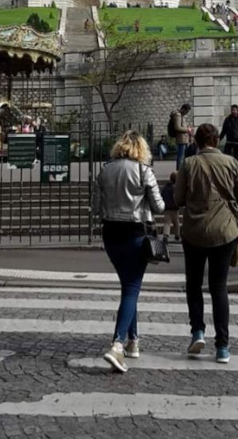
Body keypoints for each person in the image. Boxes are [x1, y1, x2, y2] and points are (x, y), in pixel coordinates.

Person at [174, 123, 238, 364]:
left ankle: (197, 331)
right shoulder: (231, 162)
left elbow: (177, 198)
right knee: (219, 288)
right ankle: (223, 347)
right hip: (224, 231)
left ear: (196, 141)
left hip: (194, 231)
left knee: (194, 286)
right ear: (217, 140)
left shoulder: (188, 163)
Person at [93, 130, 165, 374]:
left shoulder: (105, 170)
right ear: (141, 150)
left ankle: (133, 341)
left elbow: (96, 208)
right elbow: (160, 206)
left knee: (128, 287)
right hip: (135, 232)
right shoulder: (144, 171)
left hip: (111, 234)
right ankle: (117, 345)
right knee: (132, 288)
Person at [170, 103, 193, 170]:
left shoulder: (180, 115)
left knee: (183, 156)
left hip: (184, 138)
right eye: (186, 111)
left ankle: (182, 170)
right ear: (183, 109)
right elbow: (177, 127)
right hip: (181, 139)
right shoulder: (177, 115)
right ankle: (179, 170)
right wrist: (187, 129)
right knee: (181, 156)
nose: (186, 113)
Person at [161, 172, 181, 241]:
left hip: (167, 208)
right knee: (176, 222)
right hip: (175, 208)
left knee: (167, 222)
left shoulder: (165, 188)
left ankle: (166, 235)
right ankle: (177, 234)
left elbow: (162, 196)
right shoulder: (176, 188)